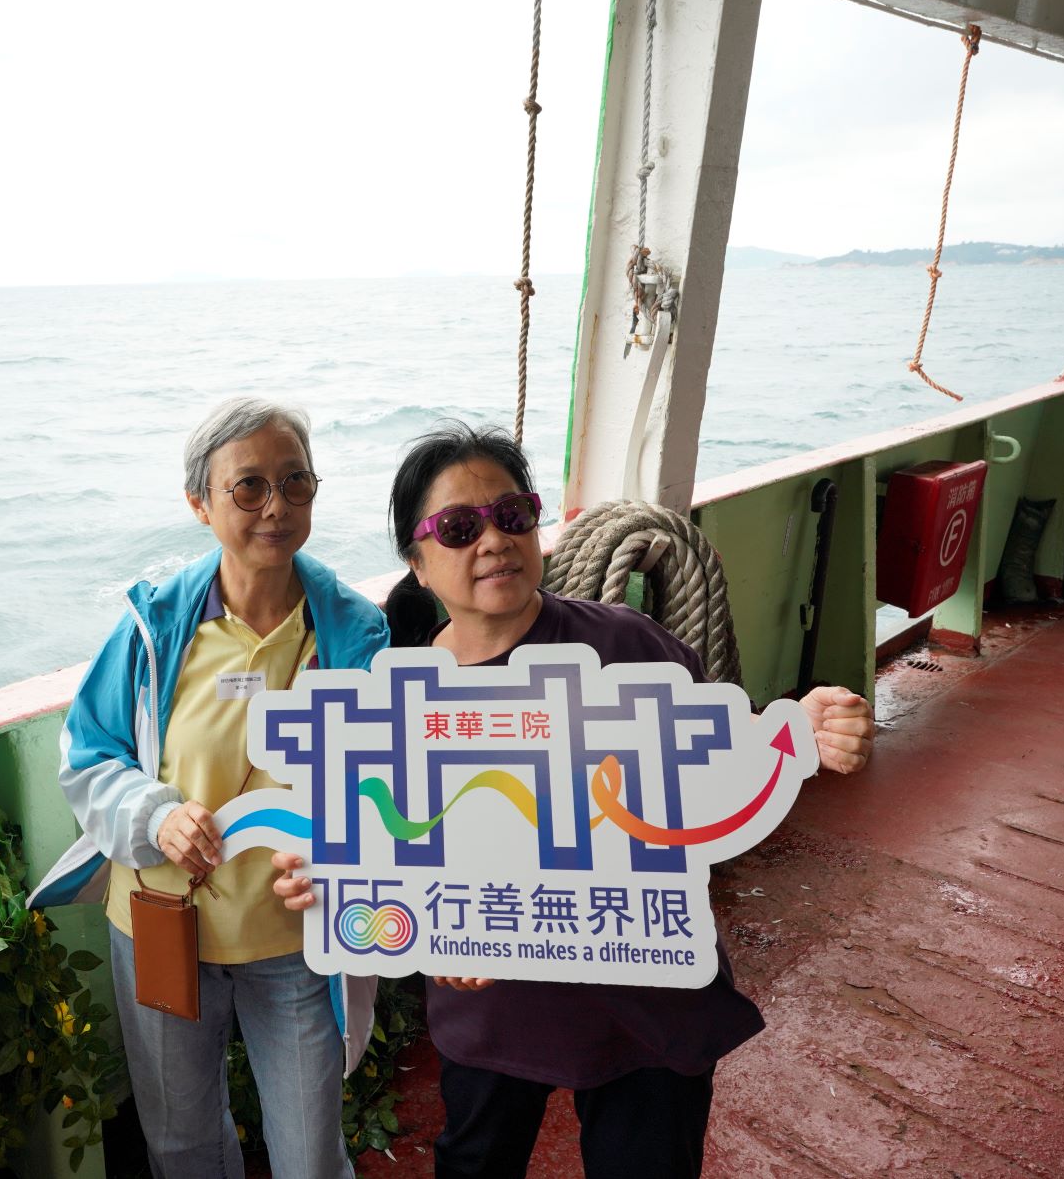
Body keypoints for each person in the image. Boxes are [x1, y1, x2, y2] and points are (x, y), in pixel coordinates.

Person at [274, 421, 875, 1179]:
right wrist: (326, 877)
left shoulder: (630, 646)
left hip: (646, 995)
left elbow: (719, 761)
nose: (494, 540)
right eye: (459, 528)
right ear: (417, 564)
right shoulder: (394, 699)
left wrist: (798, 731)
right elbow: (377, 851)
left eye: (512, 514)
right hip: (489, 1008)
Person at [28, 397, 390, 1179]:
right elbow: (88, 754)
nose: (276, 506)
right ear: (200, 503)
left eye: (295, 481)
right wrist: (153, 816)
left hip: (295, 937)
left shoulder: (355, 633)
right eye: (248, 486)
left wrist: (342, 857)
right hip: (162, 923)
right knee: (182, 1144)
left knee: (310, 1155)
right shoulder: (153, 628)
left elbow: (383, 784)